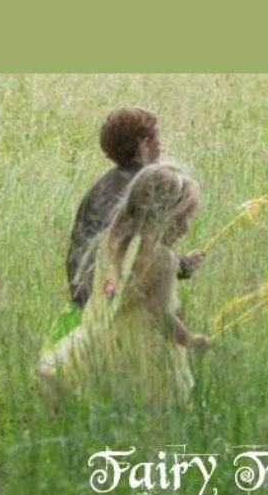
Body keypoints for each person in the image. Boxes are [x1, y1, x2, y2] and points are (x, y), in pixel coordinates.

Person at [39, 163, 212, 402]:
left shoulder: (114, 241)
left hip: (105, 336)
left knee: (105, 399)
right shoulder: (162, 260)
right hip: (142, 349)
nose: (186, 228)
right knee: (148, 405)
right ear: (159, 216)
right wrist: (189, 340)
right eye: (181, 219)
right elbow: (160, 314)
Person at [65, 107, 205, 307]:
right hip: (115, 300)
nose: (161, 145)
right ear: (144, 142)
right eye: (157, 137)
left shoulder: (100, 186)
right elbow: (141, 250)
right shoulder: (144, 187)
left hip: (85, 297)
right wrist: (181, 265)